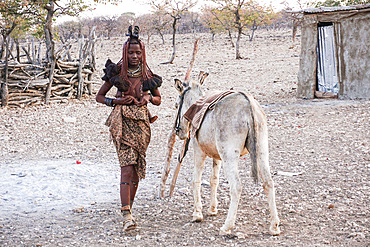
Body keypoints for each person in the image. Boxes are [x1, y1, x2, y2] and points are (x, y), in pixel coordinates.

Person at [96, 25, 162, 231]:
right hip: (122, 124)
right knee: (126, 168)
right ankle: (126, 214)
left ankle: (129, 209)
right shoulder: (116, 73)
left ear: (143, 54)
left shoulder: (147, 75)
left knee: (136, 168)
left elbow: (159, 99)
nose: (134, 56)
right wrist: (117, 102)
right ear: (125, 52)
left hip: (142, 125)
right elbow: (99, 97)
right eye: (131, 52)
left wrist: (147, 97)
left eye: (138, 53)